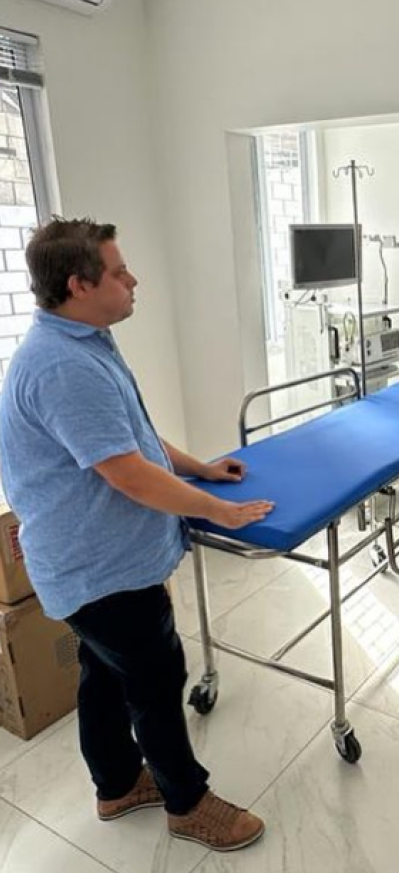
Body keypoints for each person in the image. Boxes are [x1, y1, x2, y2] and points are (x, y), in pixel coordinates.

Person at [0, 218, 273, 851]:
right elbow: (126, 473)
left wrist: (201, 468)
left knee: (103, 675)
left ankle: (117, 786)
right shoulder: (62, 365)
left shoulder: (86, 340)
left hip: (96, 564)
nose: (133, 281)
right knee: (155, 680)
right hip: (99, 571)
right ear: (79, 285)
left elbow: (134, 439)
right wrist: (216, 509)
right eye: (119, 272)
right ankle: (188, 803)